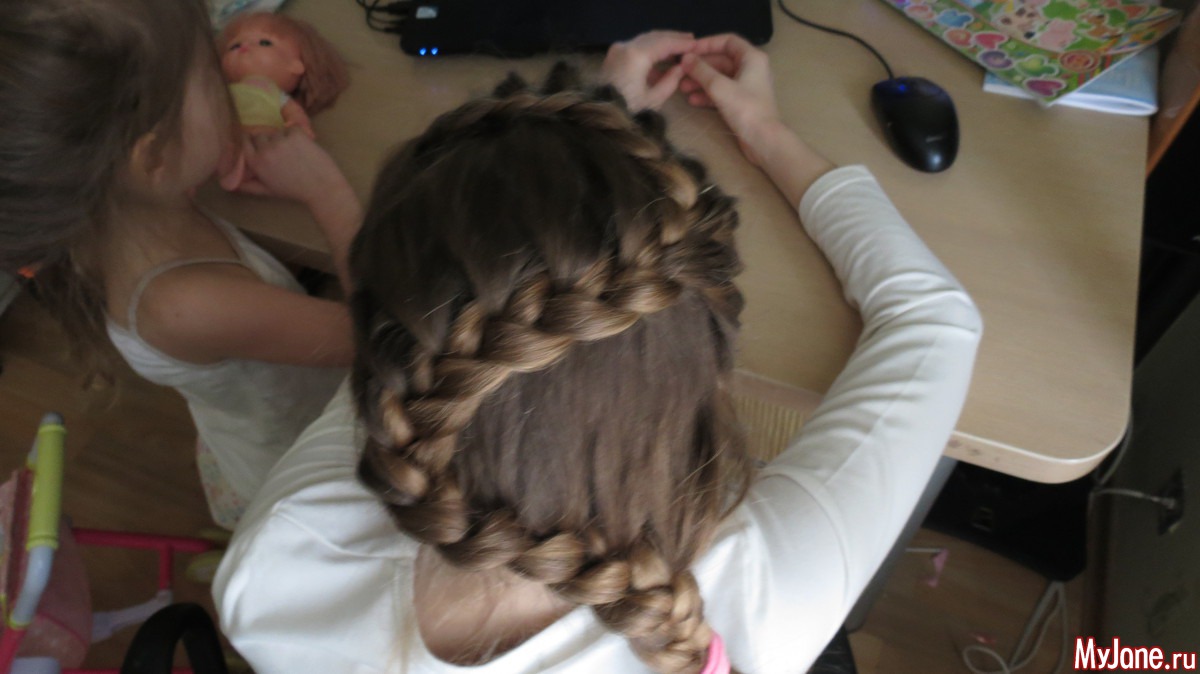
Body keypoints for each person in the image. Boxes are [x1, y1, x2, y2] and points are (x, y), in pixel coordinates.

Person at [213, 31, 983, 674]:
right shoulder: (766, 595)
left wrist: (593, 121)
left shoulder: (278, 572)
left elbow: (403, 357)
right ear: (710, 373)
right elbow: (934, 319)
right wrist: (763, 129)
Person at [0, 0, 360, 528]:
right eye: (214, 78)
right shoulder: (187, 304)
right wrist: (327, 192)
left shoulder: (110, 211)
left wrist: (201, 148)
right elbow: (379, 337)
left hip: (246, 418)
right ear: (153, 155)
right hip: (304, 455)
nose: (230, 86)